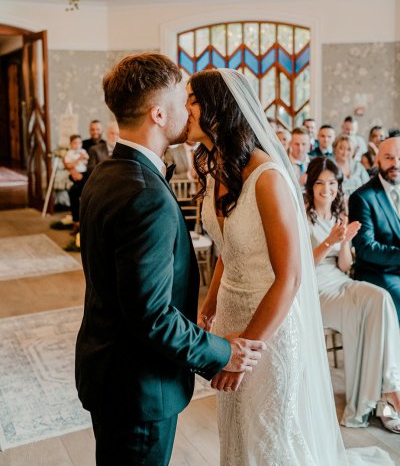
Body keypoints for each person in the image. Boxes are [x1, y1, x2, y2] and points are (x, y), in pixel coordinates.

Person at [186, 68, 394, 466]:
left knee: (271, 434)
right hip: (231, 313)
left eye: (193, 100)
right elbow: (230, 248)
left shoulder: (268, 177)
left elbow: (292, 276)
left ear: (218, 109)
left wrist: (245, 350)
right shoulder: (217, 169)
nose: (186, 108)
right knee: (236, 428)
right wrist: (211, 303)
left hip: (272, 326)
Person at [75, 54, 265, 466]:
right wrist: (222, 351)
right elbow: (151, 315)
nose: (191, 108)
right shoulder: (146, 193)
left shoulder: (105, 173)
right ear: (159, 114)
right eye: (185, 97)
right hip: (138, 387)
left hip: (108, 370)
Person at [306, 157, 400, 432]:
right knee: (372, 307)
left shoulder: (339, 215)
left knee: (380, 298)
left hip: (339, 280)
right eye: (321, 183)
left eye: (332, 183)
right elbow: (301, 264)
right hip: (315, 288)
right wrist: (329, 241)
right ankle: (389, 395)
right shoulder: (302, 214)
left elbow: (345, 265)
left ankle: (386, 389)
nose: (327, 189)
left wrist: (345, 239)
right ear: (311, 185)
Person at [349, 137, 400, 323]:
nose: (396, 164)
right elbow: (365, 248)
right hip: (379, 272)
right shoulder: (362, 197)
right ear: (377, 159)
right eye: (389, 157)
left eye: (399, 158)